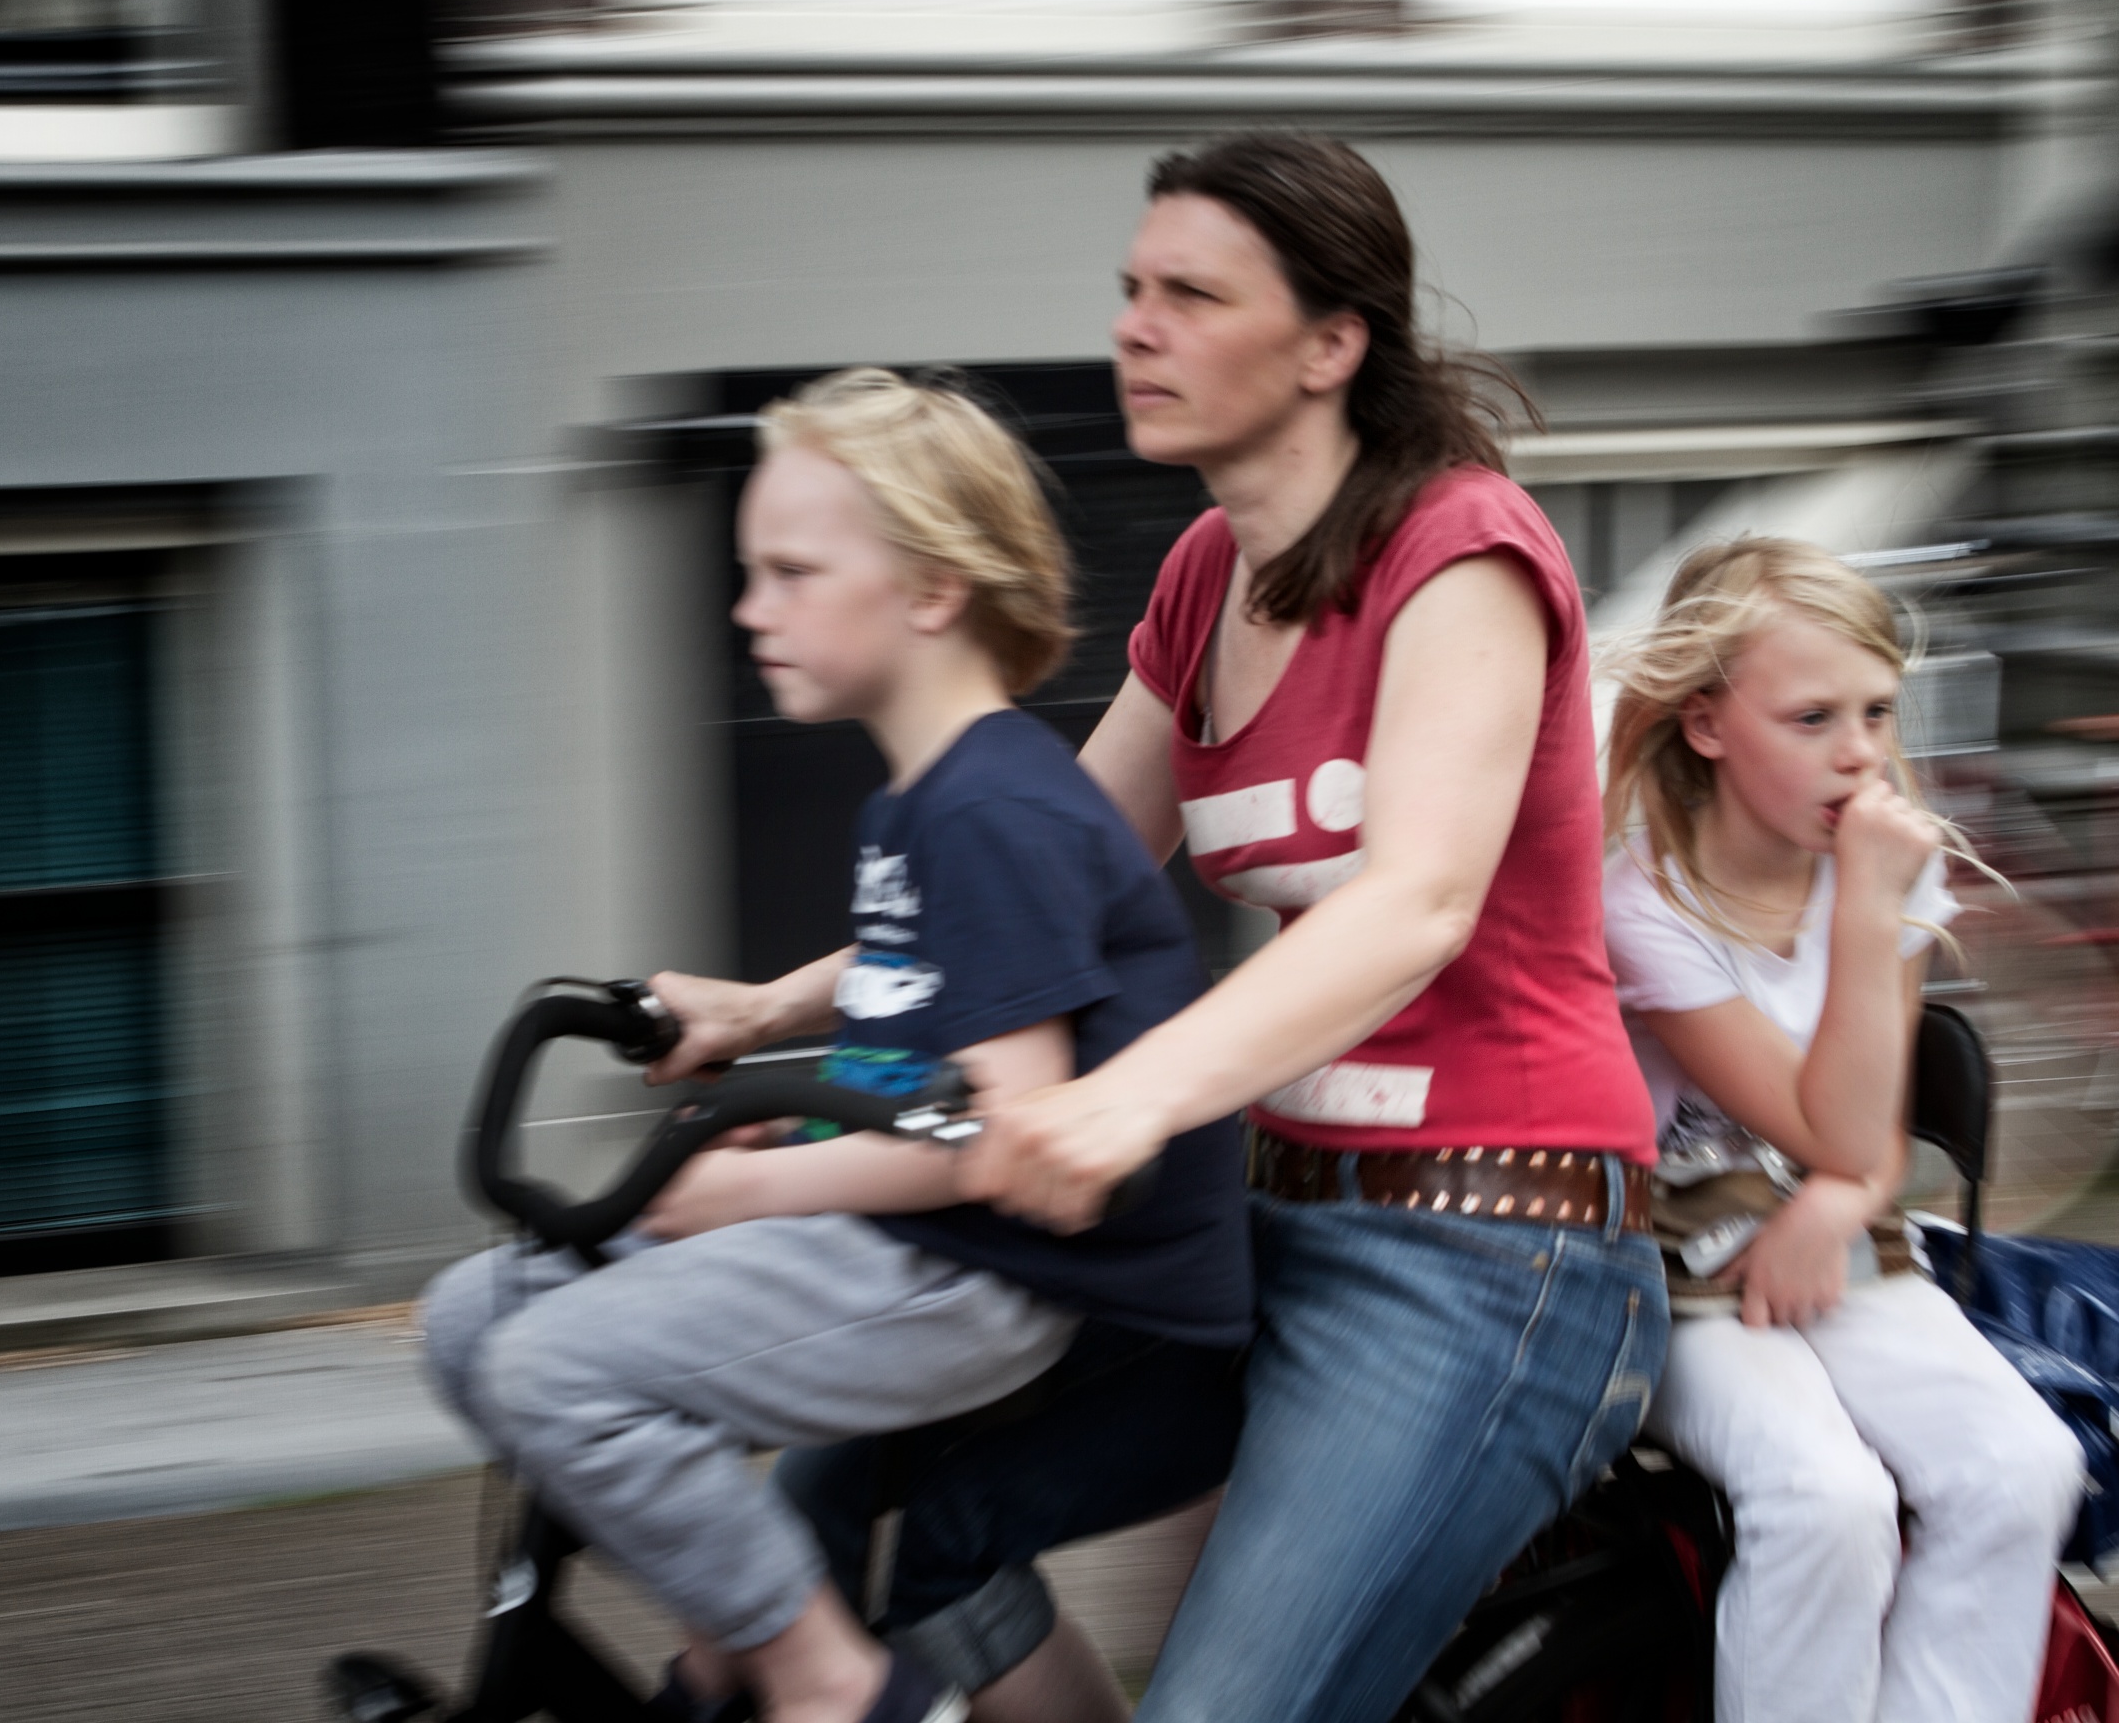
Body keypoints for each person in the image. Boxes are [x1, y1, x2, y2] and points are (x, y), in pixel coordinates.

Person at [801, 129, 1670, 1723]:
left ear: (1332, 345)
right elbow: (1044, 886)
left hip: (1490, 1261)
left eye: (1192, 296)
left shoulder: (1462, 551)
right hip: (1265, 1233)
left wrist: (1124, 1099)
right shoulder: (1210, 574)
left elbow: (1415, 905)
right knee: (884, 1512)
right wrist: (769, 1012)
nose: (1134, 327)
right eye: (1133, 289)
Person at [420, 368, 1252, 1723]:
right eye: (753, 571)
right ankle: (732, 1645)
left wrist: (755, 1186)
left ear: (933, 590)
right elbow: (915, 1046)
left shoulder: (993, 812)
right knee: (477, 1321)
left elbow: (993, 1125)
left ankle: (834, 1686)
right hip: (918, 1240)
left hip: (992, 1276)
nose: (751, 608)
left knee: (554, 1367)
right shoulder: (917, 807)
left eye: (792, 573)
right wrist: (791, 1099)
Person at [1597, 536, 2084, 1723]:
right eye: (1812, 718)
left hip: (1836, 1241)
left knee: (2025, 1465)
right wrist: (1867, 913)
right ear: (1706, 725)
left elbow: (1865, 1141)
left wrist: (1838, 1202)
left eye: (1875, 711)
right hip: (1671, 1272)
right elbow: (1829, 1122)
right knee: (1826, 1498)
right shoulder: (1644, 903)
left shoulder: (1885, 870)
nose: (1861, 751)